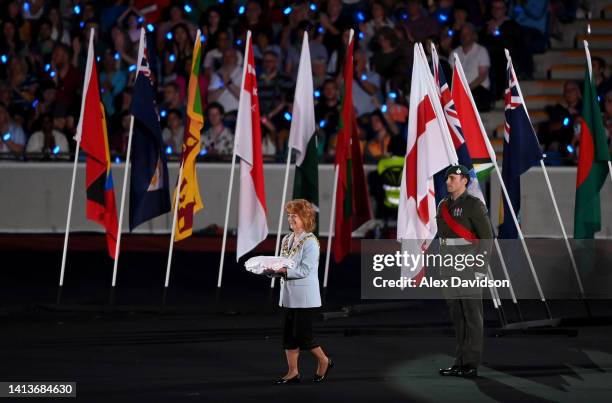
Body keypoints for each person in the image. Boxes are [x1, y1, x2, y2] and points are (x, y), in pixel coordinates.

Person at [264, 199, 333, 384]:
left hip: (305, 298)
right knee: (289, 336)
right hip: (288, 295)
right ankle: (293, 372)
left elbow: (304, 270)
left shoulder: (310, 242)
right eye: (289, 215)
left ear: (305, 217)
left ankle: (325, 361)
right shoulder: (286, 239)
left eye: (294, 215)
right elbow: (283, 264)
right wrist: (272, 270)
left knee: (304, 335)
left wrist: (282, 271)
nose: (290, 219)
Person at [436, 165, 493, 378]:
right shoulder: (442, 205)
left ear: (464, 181)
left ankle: (471, 363)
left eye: (452, 178)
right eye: (447, 178)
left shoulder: (474, 205)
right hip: (448, 267)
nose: (448, 182)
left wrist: (480, 269)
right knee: (457, 316)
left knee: (472, 316)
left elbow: (487, 239)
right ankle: (459, 361)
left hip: (468, 268)